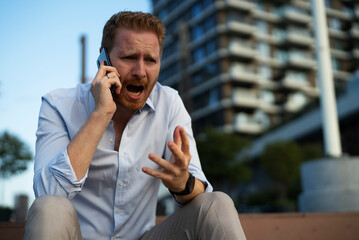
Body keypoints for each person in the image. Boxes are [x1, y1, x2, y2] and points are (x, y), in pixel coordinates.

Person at [24, 11, 247, 240]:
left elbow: (200, 188)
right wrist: (101, 114)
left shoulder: (169, 103)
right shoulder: (58, 105)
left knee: (217, 203)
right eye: (130, 57)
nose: (140, 72)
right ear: (104, 60)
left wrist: (183, 183)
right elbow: (48, 195)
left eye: (150, 60)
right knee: (50, 208)